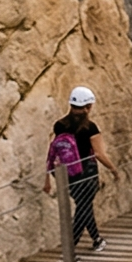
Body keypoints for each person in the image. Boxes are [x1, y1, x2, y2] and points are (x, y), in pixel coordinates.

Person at [46, 86, 109, 253]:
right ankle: (70, 248)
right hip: (87, 172)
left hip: (69, 173)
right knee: (84, 207)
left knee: (83, 205)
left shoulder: (59, 125)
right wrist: (114, 169)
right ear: (88, 106)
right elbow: (99, 153)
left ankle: (97, 239)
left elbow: (55, 149)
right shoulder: (90, 128)